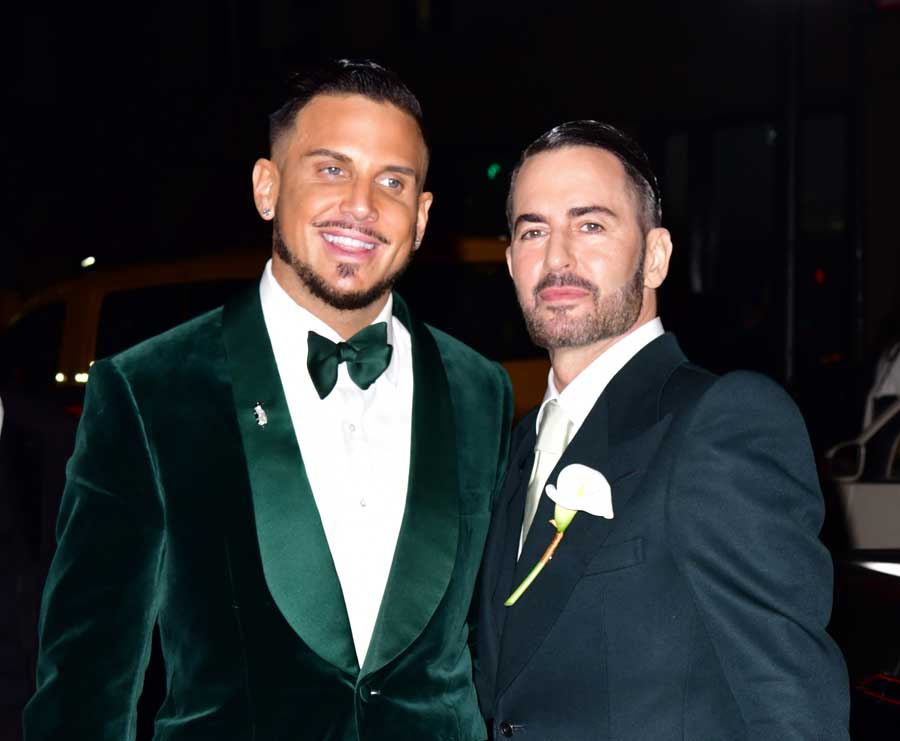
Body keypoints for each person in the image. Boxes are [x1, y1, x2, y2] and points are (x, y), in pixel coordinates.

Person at [24, 59, 511, 740]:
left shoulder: (480, 389)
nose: (363, 206)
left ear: (422, 216)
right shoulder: (149, 389)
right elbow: (84, 683)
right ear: (267, 186)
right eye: (331, 169)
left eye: (392, 181)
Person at [475, 121, 849, 739]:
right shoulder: (517, 446)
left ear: (655, 257)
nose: (558, 256)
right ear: (513, 262)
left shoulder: (720, 421)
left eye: (590, 224)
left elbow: (793, 707)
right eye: (534, 230)